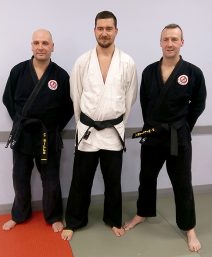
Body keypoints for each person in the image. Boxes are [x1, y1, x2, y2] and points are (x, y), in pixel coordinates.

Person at [124, 24, 207, 252]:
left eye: (174, 39)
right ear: (160, 42)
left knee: (182, 183)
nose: (169, 43)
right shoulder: (149, 71)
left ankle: (189, 228)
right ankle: (142, 213)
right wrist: (152, 125)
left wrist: (183, 127)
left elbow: (198, 104)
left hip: (176, 137)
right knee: (147, 178)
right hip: (152, 135)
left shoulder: (193, 73)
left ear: (182, 42)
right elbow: (145, 103)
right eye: (166, 39)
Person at [61, 11, 138, 241]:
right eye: (100, 28)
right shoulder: (82, 61)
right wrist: (83, 123)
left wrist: (118, 124)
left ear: (116, 30)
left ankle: (113, 219)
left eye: (109, 28)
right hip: (87, 130)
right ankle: (74, 221)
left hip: (113, 131)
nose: (104, 32)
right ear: (94, 30)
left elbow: (130, 98)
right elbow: (76, 95)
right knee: (80, 179)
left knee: (113, 179)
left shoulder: (127, 62)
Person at [2, 29, 74, 232]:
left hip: (47, 136)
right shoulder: (18, 71)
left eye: (44, 43)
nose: (40, 47)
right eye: (36, 43)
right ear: (31, 46)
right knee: (19, 177)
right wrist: (19, 122)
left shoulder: (60, 75)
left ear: (52, 46)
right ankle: (18, 215)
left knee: (50, 179)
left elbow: (68, 107)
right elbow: (8, 99)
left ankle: (54, 216)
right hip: (23, 134)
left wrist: (53, 127)